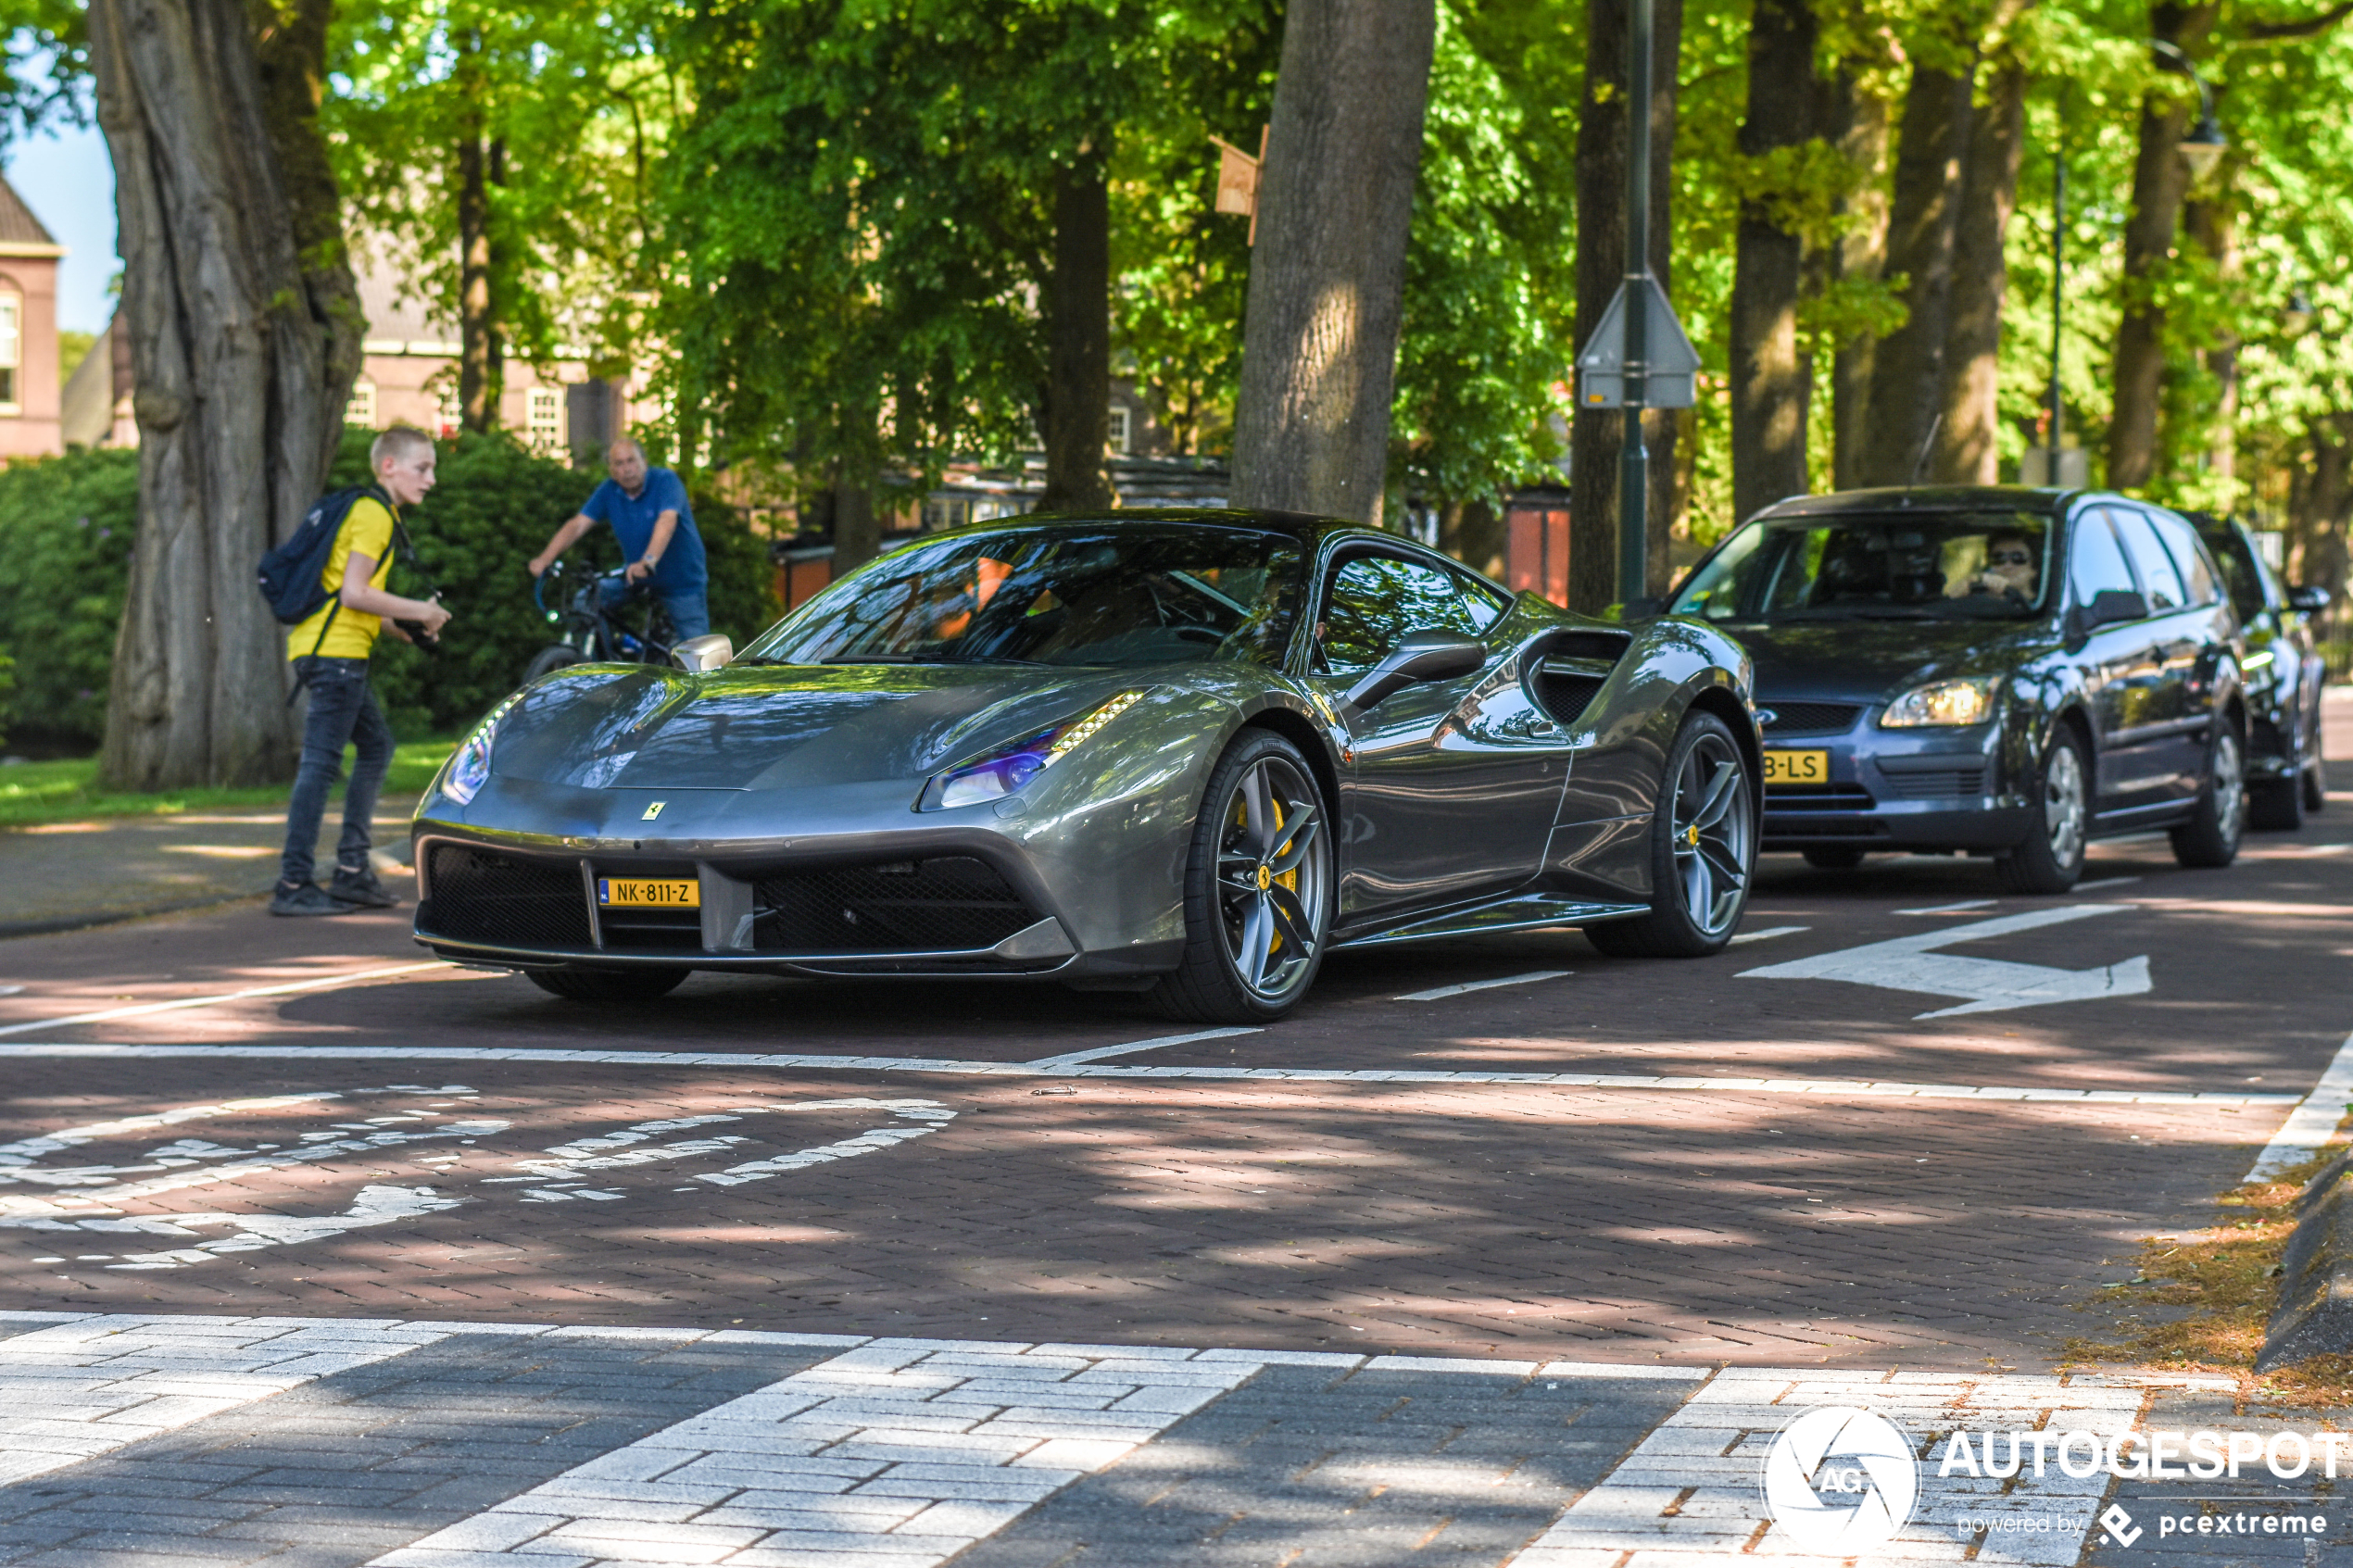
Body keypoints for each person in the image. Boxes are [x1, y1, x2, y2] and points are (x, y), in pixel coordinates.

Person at [272, 426, 452, 917]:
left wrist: (411, 628)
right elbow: (355, 593)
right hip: (337, 656)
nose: (431, 479)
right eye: (423, 468)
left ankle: (351, 871)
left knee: (375, 747)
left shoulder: (368, 510)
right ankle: (293, 881)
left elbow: (355, 599)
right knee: (321, 764)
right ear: (389, 466)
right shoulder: (374, 514)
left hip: (324, 648)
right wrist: (421, 609)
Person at [528, 438, 710, 641]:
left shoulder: (666, 481)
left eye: (631, 461)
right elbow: (578, 525)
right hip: (636, 575)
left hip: (680, 581)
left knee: (698, 652)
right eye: (619, 463)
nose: (627, 469)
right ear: (611, 470)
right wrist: (545, 558)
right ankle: (596, 663)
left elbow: (666, 521)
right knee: (585, 601)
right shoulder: (609, 491)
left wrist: (648, 561)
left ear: (644, 462)